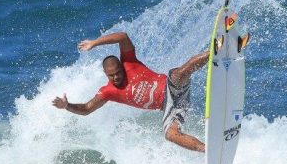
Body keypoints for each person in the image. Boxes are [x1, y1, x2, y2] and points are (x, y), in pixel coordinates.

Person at [52, 31, 209, 152]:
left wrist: (95, 43)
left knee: (178, 73)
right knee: (170, 135)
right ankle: (207, 150)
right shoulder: (108, 91)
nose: (116, 77)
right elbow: (86, 109)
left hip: (171, 86)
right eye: (111, 75)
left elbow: (122, 36)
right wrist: (67, 106)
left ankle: (216, 50)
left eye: (118, 72)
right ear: (106, 74)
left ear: (121, 66)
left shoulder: (129, 62)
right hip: (171, 107)